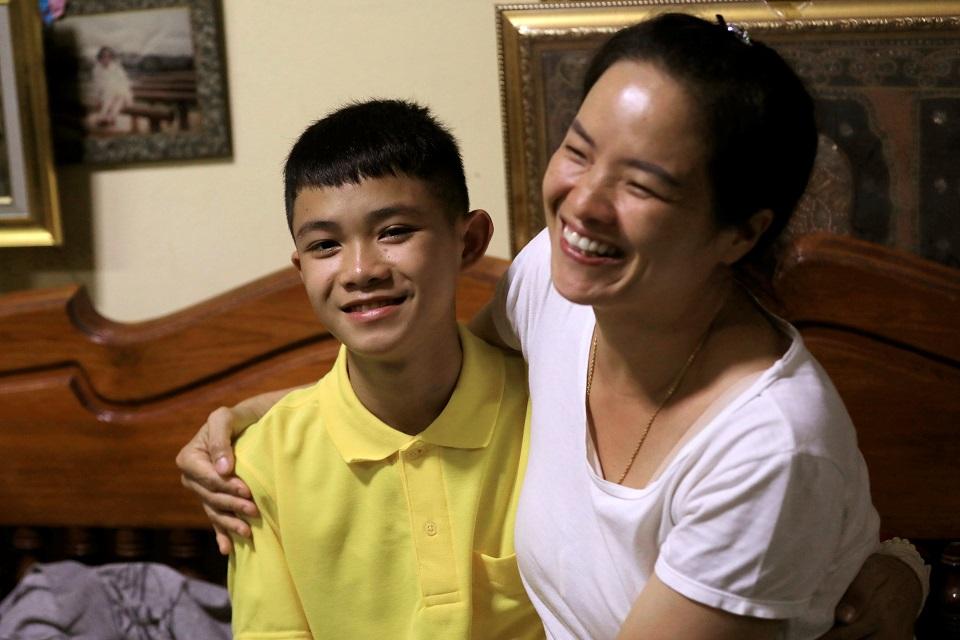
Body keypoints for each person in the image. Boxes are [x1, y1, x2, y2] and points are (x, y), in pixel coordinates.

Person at [178, 14, 927, 639]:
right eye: (578, 149)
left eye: (642, 183)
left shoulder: (767, 448)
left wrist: (900, 571)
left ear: (740, 233)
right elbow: (427, 368)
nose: (583, 204)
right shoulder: (556, 283)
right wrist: (258, 422)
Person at [224, 99, 541, 638]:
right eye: (325, 245)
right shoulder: (264, 461)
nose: (360, 270)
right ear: (301, 270)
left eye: (394, 231)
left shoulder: (552, 409)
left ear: (468, 242)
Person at [91, 46, 133, 128]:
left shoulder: (116, 68)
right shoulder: (97, 69)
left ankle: (106, 118)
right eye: (103, 56)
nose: (106, 59)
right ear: (99, 57)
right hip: (105, 94)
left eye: (108, 56)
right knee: (110, 96)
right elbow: (97, 85)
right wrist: (96, 97)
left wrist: (128, 98)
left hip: (119, 91)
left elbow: (124, 81)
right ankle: (108, 117)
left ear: (111, 57)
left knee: (120, 97)